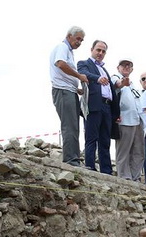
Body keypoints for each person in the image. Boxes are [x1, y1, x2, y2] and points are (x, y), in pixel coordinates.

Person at [77, 40, 119, 174]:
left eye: (103, 51)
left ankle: (106, 170)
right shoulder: (84, 63)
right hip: (93, 105)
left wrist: (115, 112)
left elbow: (112, 91)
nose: (100, 53)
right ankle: (90, 166)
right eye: (98, 50)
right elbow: (83, 74)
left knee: (105, 140)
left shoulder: (104, 69)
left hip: (107, 107)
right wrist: (97, 78)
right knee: (91, 138)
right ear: (92, 49)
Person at [50, 26, 89, 167]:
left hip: (69, 90)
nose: (79, 42)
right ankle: (71, 160)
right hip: (62, 90)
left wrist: (76, 88)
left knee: (74, 125)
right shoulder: (62, 47)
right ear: (69, 36)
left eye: (82, 40)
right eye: (77, 38)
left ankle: (74, 159)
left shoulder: (69, 51)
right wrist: (79, 76)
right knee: (70, 126)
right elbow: (60, 64)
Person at [111, 58, 144, 181]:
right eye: (123, 65)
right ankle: (124, 177)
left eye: (129, 65)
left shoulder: (133, 84)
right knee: (123, 151)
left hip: (137, 120)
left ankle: (135, 176)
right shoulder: (114, 77)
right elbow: (116, 84)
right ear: (118, 67)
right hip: (124, 120)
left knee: (138, 151)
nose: (126, 67)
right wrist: (121, 83)